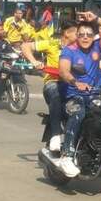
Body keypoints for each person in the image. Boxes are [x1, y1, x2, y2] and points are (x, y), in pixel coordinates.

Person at [57, 12, 101, 176]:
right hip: (73, 95)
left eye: (89, 35)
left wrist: (96, 19)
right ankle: (67, 155)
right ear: (76, 36)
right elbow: (63, 71)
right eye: (81, 35)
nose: (85, 38)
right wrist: (74, 81)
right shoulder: (69, 51)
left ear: (94, 36)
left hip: (94, 94)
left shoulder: (97, 46)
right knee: (78, 113)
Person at [23, 21, 77, 153]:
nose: (82, 36)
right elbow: (25, 46)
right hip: (53, 83)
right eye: (78, 33)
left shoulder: (80, 48)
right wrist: (34, 61)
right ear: (67, 34)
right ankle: (55, 135)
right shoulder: (52, 43)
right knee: (56, 93)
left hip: (73, 84)